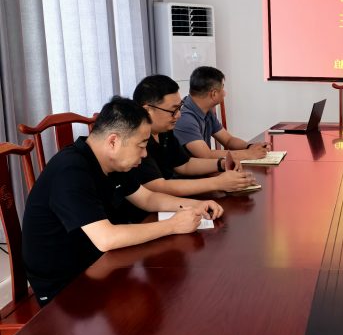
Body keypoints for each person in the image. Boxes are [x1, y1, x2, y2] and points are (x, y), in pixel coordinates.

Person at [22, 96, 224, 306]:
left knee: (173, 289)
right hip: (67, 286)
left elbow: (147, 198)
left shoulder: (111, 161)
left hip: (100, 263)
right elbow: (106, 238)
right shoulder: (70, 171)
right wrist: (173, 225)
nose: (145, 154)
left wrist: (195, 205)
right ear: (113, 141)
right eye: (141, 145)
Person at [132, 74, 256, 196]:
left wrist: (221, 164)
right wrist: (218, 183)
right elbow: (159, 187)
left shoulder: (164, 132)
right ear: (147, 110)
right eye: (173, 110)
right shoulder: (135, 141)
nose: (178, 115)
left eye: (179, 108)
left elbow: (184, 165)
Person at [173, 66, 269, 160]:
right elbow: (206, 155)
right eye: (222, 88)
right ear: (214, 94)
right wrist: (247, 154)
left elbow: (228, 140)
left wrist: (250, 146)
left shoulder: (206, 110)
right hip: (192, 170)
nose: (225, 93)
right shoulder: (184, 118)